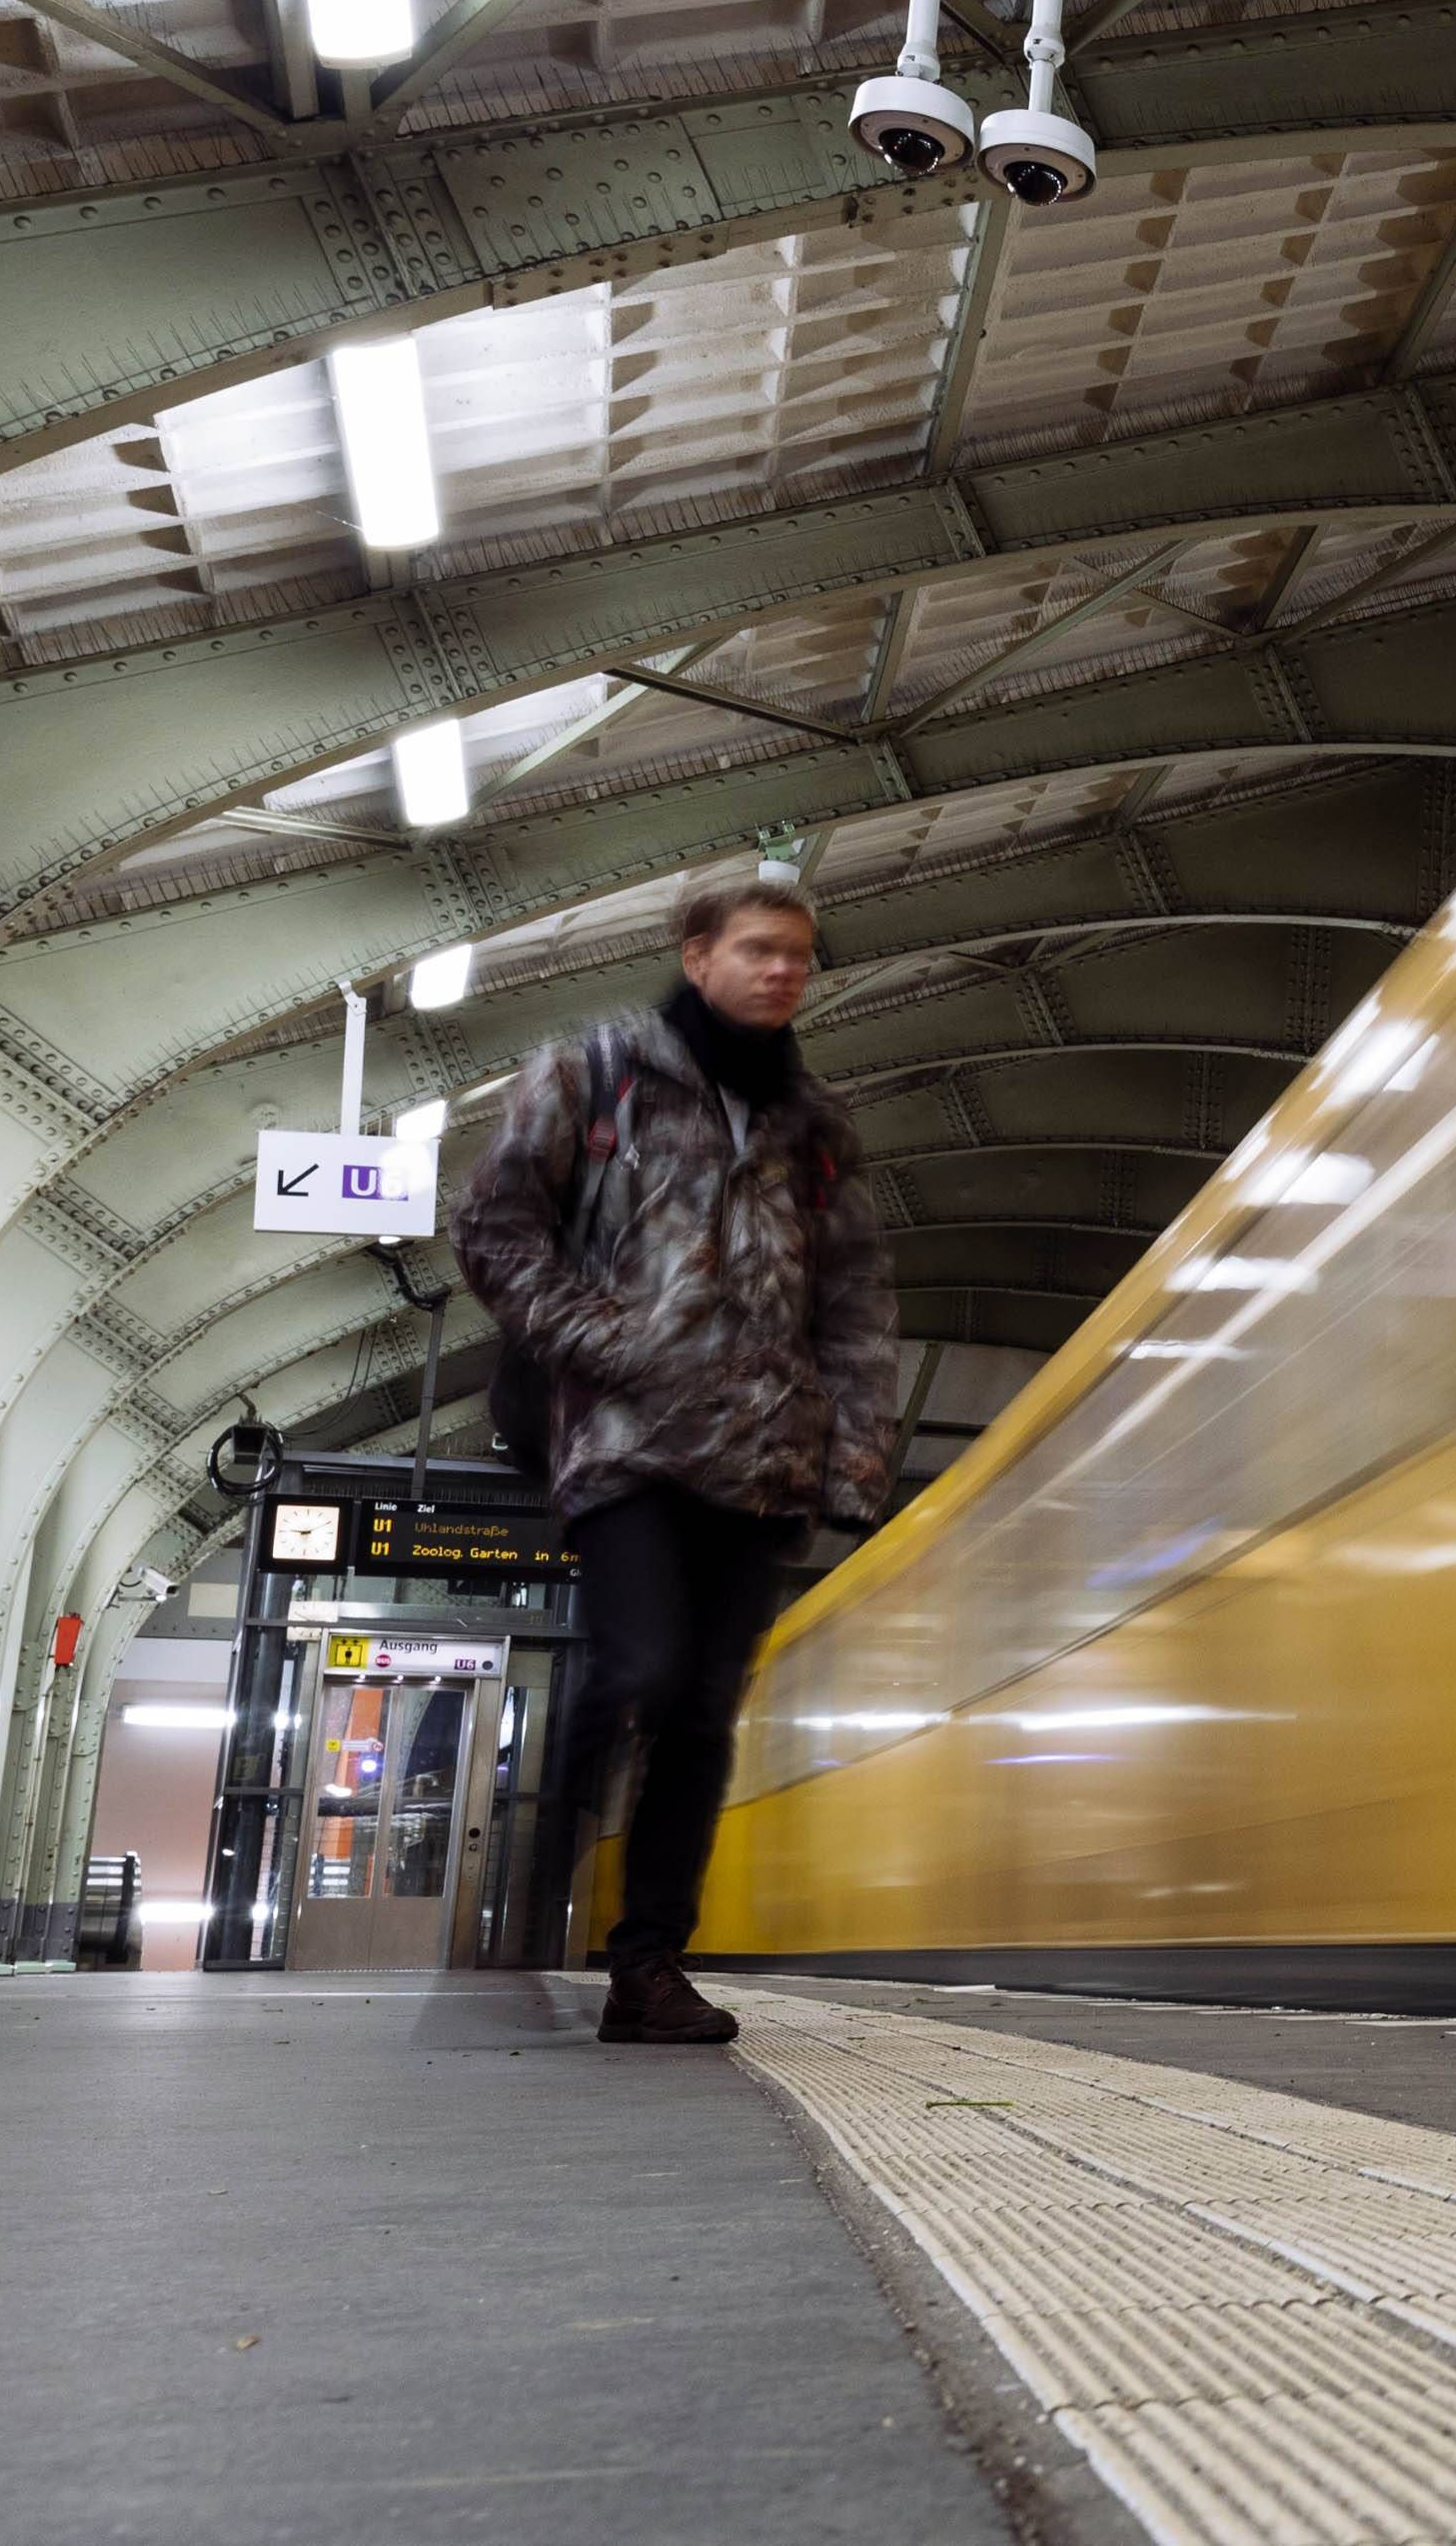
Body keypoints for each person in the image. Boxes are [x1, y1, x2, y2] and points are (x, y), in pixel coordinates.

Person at [452, 876, 895, 2044]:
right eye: (759, 948)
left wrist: (853, 1449)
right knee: (640, 1667)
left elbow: (850, 1300)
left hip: (761, 1461)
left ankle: (645, 1967)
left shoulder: (817, 1128)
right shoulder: (589, 1074)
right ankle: (545, 1842)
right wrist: (614, 1346)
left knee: (701, 1716)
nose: (784, 970)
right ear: (696, 955)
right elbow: (495, 1229)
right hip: (623, 1442)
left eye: (800, 954)